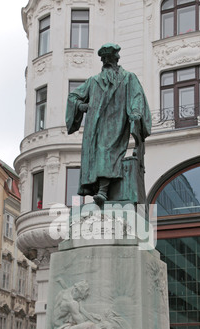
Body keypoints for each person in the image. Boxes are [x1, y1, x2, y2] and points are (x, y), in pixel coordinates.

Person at [66, 43, 151, 206]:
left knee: (108, 151)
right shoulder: (93, 81)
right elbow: (73, 97)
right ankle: (100, 189)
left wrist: (135, 113)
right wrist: (81, 106)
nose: (106, 62)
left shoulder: (128, 78)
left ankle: (103, 191)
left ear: (116, 60)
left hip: (117, 122)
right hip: (95, 127)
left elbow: (137, 96)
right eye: (103, 59)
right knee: (97, 155)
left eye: (109, 59)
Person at [47, 280, 139, 329]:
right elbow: (82, 324)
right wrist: (98, 325)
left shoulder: (65, 293)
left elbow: (79, 311)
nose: (81, 299)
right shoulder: (72, 303)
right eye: (81, 297)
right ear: (77, 291)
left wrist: (92, 316)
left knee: (97, 324)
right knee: (90, 326)